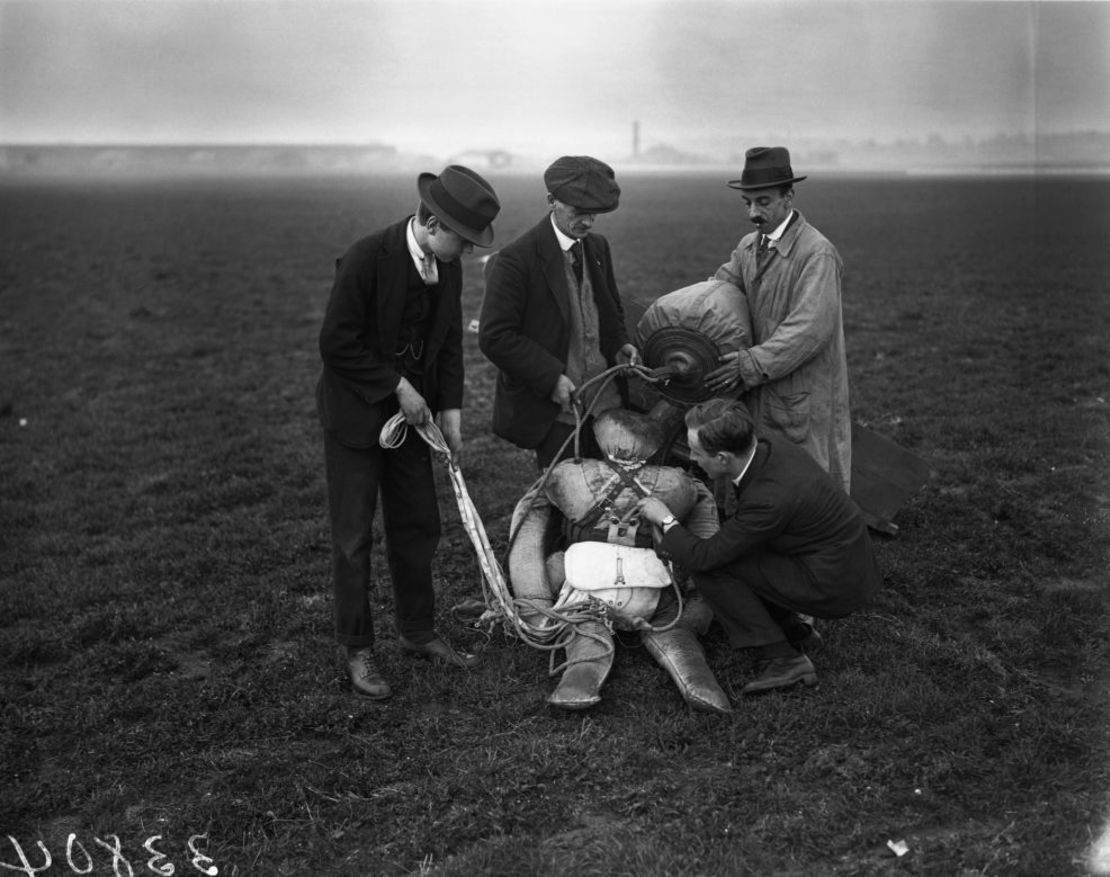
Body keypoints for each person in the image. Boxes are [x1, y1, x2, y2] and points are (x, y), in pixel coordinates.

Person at [316, 165, 501, 700]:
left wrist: (452, 413)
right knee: (353, 538)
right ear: (429, 221)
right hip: (355, 420)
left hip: (415, 423)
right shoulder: (364, 259)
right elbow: (337, 344)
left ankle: (418, 633)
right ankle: (358, 649)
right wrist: (397, 386)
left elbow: (446, 345)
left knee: (418, 525)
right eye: (462, 242)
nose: (466, 253)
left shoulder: (448, 266)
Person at [636, 399, 881, 694]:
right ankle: (794, 632)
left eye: (697, 453)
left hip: (833, 583)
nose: (692, 458)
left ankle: (784, 660)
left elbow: (703, 557)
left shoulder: (770, 497)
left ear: (724, 458)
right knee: (733, 552)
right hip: (839, 559)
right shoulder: (765, 446)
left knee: (711, 567)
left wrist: (665, 519)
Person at [704, 146, 852, 492]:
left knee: (805, 477)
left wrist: (750, 364)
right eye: (747, 203)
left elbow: (810, 329)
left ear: (789, 197)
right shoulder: (747, 248)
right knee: (761, 476)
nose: (753, 213)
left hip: (800, 393)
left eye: (764, 202)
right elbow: (720, 293)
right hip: (760, 386)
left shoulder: (817, 253)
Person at [479, 155, 640, 470]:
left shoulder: (598, 247)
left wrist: (620, 342)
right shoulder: (514, 261)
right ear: (551, 201)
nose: (588, 223)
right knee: (562, 500)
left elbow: (610, 307)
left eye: (594, 214)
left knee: (612, 497)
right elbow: (495, 337)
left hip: (607, 402)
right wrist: (550, 377)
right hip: (556, 412)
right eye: (579, 213)